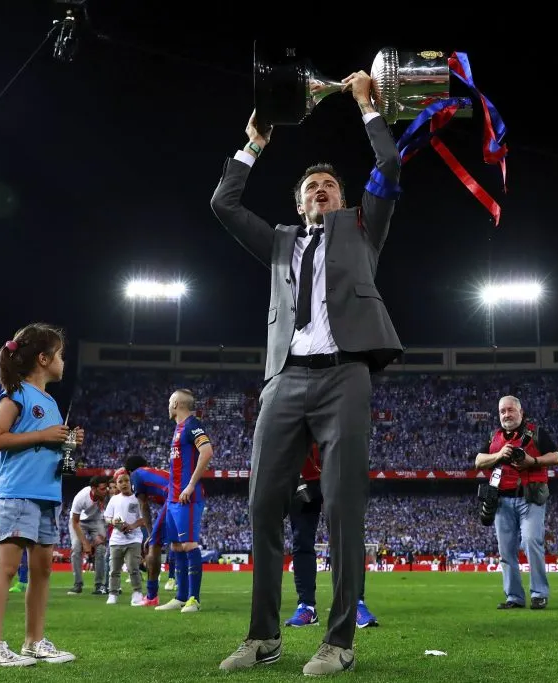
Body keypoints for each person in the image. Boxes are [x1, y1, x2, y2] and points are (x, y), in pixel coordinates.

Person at [210, 70, 403, 676]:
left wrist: (367, 107)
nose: (320, 190)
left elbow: (390, 165)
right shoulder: (279, 243)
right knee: (263, 505)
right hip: (286, 378)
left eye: (329, 185)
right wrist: (254, 143)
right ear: (298, 203)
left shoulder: (364, 230)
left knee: (343, 509)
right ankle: (263, 637)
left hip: (345, 375)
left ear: (342, 200)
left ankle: (339, 640)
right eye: (311, 187)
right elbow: (223, 204)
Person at [0, 323, 82, 667]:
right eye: (60, 355)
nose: (63, 361)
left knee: (43, 570)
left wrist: (66, 443)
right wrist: (44, 435)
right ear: (43, 358)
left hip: (47, 495)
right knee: (7, 568)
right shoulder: (16, 394)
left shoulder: (50, 400)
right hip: (18, 492)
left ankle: (34, 642)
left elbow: (47, 444)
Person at [474, 395, 558, 610]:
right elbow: (478, 461)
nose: (506, 414)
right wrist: (498, 455)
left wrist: (533, 461)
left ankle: (539, 594)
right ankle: (514, 597)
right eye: (502, 411)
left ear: (521, 412)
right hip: (501, 500)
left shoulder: (536, 432)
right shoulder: (493, 437)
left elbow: (557, 457)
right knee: (505, 551)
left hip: (529, 497)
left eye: (510, 410)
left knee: (532, 542)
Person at [285, 444, 378, 629]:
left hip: (339, 472)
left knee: (348, 537)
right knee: (301, 539)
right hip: (302, 475)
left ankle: (354, 603)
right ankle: (306, 607)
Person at [153, 389, 214, 614]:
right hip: (173, 498)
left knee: (188, 544)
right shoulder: (178, 428)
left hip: (187, 496)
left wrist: (190, 485)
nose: (168, 406)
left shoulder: (192, 425)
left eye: (170, 401)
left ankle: (193, 599)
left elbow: (207, 452)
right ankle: (180, 598)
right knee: (176, 546)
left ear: (176, 403)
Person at [124, 454, 169, 606]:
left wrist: (150, 534)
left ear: (129, 471)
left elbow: (143, 505)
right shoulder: (155, 472)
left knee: (153, 545)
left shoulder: (136, 474)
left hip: (174, 497)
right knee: (180, 545)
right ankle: (185, 595)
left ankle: (151, 596)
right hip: (191, 495)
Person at [103, 471, 145, 606]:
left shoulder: (138, 499)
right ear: (116, 484)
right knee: (114, 570)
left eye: (126, 480)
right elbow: (107, 517)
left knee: (133, 568)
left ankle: (137, 593)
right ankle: (113, 594)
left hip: (134, 539)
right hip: (116, 540)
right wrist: (115, 522)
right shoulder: (114, 499)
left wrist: (132, 526)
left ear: (131, 482)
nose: (124, 484)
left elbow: (144, 519)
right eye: (120, 481)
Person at [67, 475, 111, 595]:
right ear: (93, 489)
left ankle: (99, 585)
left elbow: (110, 516)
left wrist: (102, 535)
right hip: (79, 522)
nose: (105, 491)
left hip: (97, 521)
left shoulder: (108, 494)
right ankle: (78, 584)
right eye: (102, 489)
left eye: (106, 488)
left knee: (101, 549)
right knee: (76, 548)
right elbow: (75, 522)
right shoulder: (81, 497)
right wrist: (85, 543)